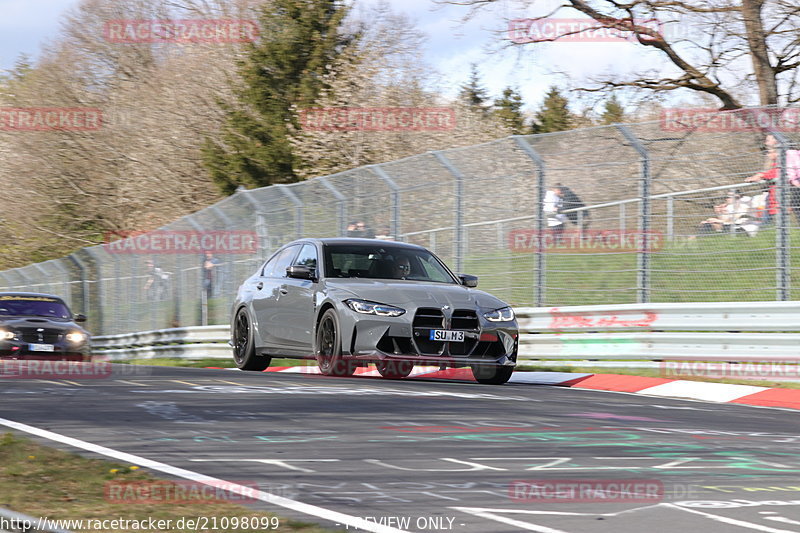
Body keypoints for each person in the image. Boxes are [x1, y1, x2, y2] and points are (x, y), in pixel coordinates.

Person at [745, 134, 779, 224]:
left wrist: (760, 175)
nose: (767, 154)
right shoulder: (774, 163)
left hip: (779, 200)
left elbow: (777, 172)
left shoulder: (784, 159)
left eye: (769, 152)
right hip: (772, 198)